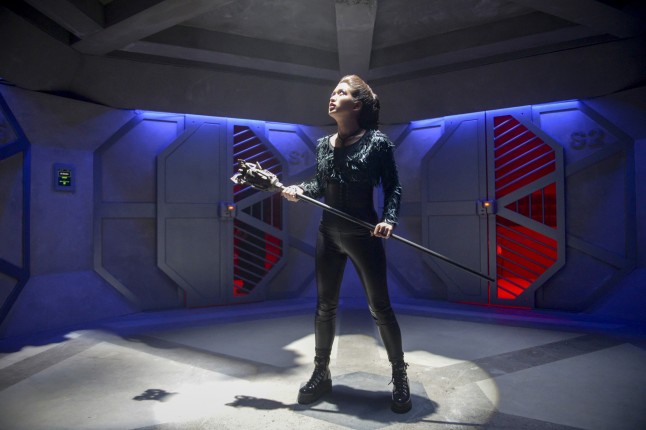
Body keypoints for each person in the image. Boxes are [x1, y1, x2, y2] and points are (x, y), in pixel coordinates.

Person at [281, 75, 411, 413]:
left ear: (357, 105)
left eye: (342, 93)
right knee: (324, 307)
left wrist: (389, 219)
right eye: (333, 91)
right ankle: (321, 373)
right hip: (328, 233)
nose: (333, 96)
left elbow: (393, 186)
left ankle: (400, 376)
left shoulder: (378, 143)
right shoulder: (324, 144)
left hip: (364, 234)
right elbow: (320, 183)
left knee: (380, 308)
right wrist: (300, 189)